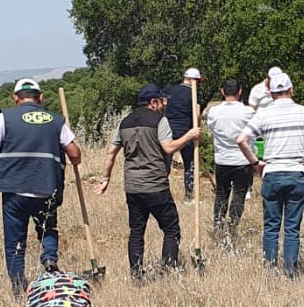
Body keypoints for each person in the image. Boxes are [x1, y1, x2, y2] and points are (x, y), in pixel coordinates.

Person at [0, 79, 81, 295]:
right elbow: (75, 154)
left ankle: (19, 288)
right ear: (40, 98)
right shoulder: (56, 121)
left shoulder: (4, 119)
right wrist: (74, 160)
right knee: (47, 229)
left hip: (15, 190)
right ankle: (49, 259)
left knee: (15, 244)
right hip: (47, 188)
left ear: (15, 98)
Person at [96, 85, 199, 279]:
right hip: (155, 185)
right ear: (153, 102)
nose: (164, 104)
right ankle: (169, 271)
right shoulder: (160, 121)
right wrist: (190, 135)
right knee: (171, 229)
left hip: (132, 187)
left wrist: (105, 179)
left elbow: (110, 153)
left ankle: (136, 275)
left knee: (136, 231)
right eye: (162, 100)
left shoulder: (124, 123)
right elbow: (169, 148)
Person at [236, 70, 304, 277]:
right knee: (292, 227)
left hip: (272, 173)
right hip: (297, 173)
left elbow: (241, 140)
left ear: (270, 94)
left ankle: (270, 272)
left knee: (271, 226)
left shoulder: (263, 114)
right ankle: (290, 272)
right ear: (292, 90)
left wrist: (256, 163)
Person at [204, 80, 256, 243]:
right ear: (240, 92)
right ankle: (232, 227)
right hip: (243, 159)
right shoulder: (248, 112)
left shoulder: (214, 112)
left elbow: (211, 127)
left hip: (223, 159)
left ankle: (218, 225)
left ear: (222, 91)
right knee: (239, 195)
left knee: (221, 194)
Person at [164, 67, 203, 201]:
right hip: (185, 133)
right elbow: (197, 114)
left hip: (167, 131)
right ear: (195, 80)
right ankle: (188, 196)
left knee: (165, 165)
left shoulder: (169, 90)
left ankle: (162, 193)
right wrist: (198, 130)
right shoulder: (194, 93)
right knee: (189, 164)